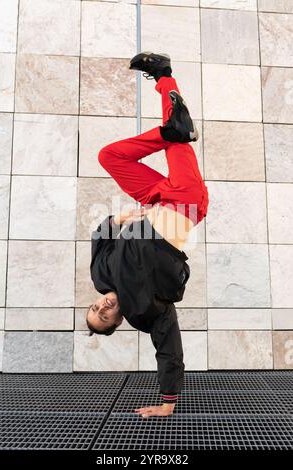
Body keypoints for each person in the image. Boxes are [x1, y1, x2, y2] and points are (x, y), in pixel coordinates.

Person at [87, 52, 209, 418]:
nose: (103, 307)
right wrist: (166, 404)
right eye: (105, 317)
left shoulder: (100, 276)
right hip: (184, 203)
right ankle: (163, 76)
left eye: (95, 309)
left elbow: (100, 235)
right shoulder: (145, 311)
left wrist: (120, 216)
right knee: (178, 140)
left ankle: (167, 125)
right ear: (118, 321)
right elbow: (169, 349)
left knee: (110, 156)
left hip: (153, 198)